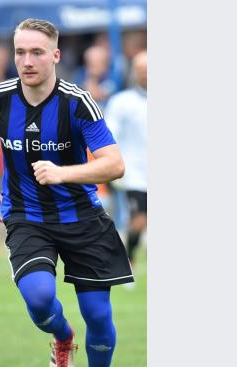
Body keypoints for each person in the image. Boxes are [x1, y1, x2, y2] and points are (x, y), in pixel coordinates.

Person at [0, 18, 133, 367]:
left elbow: (114, 165)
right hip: (26, 216)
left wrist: (63, 173)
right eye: (20, 52)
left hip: (81, 217)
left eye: (37, 52)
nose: (27, 61)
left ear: (55, 55)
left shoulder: (78, 103)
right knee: (40, 299)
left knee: (98, 313)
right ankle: (62, 337)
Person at [105, 51, 147, 269]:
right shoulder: (122, 102)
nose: (145, 74)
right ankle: (129, 260)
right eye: (141, 70)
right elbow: (109, 135)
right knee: (139, 219)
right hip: (135, 173)